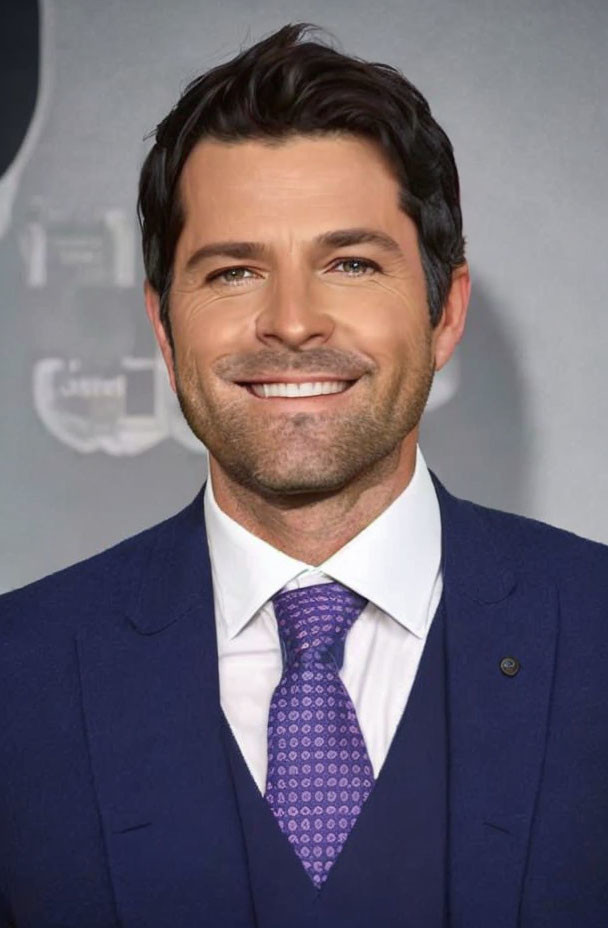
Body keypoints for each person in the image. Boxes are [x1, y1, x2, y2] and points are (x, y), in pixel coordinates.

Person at [0, 21, 606, 928]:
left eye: (351, 263)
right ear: (165, 332)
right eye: (235, 271)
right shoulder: (19, 676)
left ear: (445, 313)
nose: (291, 322)